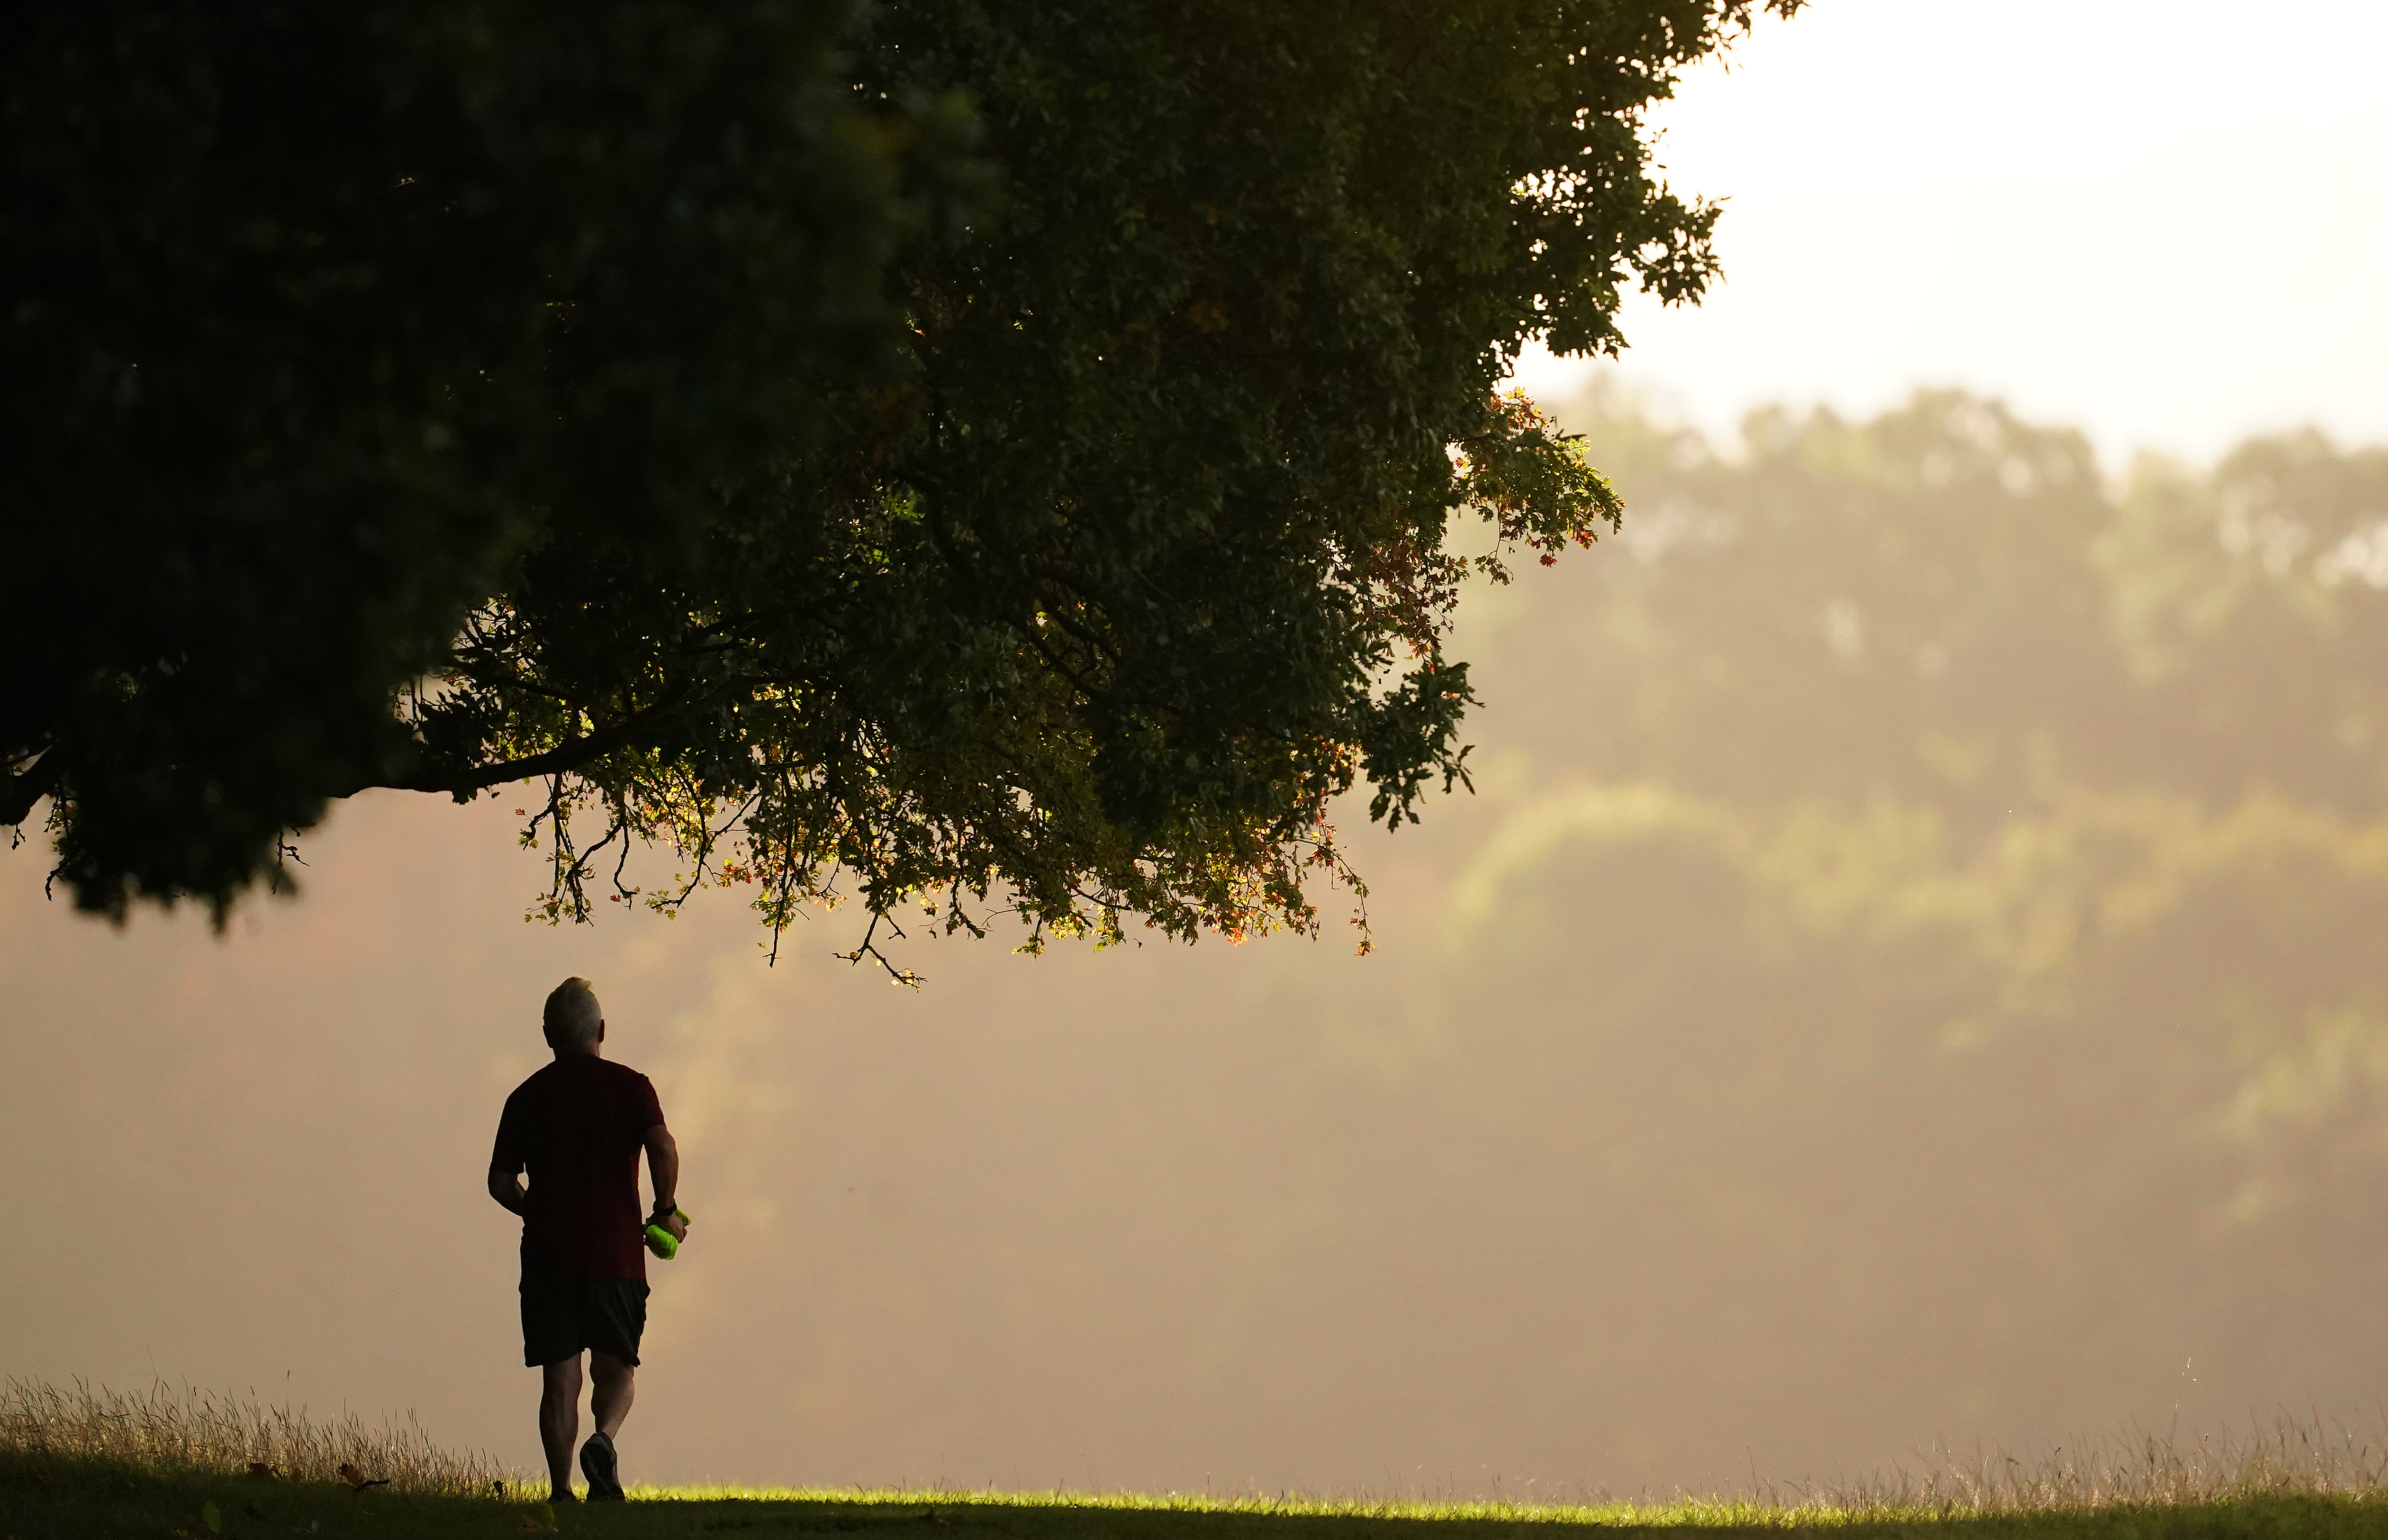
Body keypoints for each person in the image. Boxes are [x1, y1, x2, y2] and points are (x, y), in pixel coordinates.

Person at [488, 978, 687, 1502]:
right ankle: (603, 1440)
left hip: (550, 1257)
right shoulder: (631, 1087)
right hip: (616, 1254)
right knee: (617, 1366)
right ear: (601, 1029)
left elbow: (500, 1183)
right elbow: (663, 1148)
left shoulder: (525, 1098)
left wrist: (540, 1209)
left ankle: (559, 1490)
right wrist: (664, 1211)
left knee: (561, 1377)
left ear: (548, 1035)